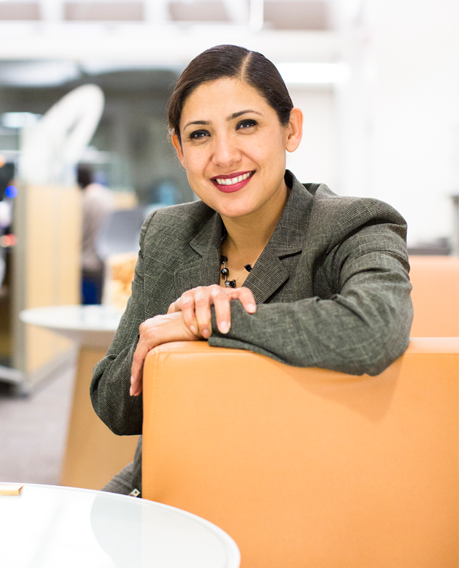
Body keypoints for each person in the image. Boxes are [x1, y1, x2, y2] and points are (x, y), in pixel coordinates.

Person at [90, 44, 413, 497]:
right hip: (171, 486)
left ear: (290, 129)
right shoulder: (167, 232)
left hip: (293, 497)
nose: (224, 155)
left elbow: (375, 328)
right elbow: (113, 405)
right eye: (200, 135)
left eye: (246, 125)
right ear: (179, 151)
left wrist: (209, 323)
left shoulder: (354, 224)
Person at [78, 165, 116, 304]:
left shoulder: (86, 200)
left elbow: (80, 231)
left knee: (87, 307)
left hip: (87, 261)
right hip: (103, 258)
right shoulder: (106, 195)